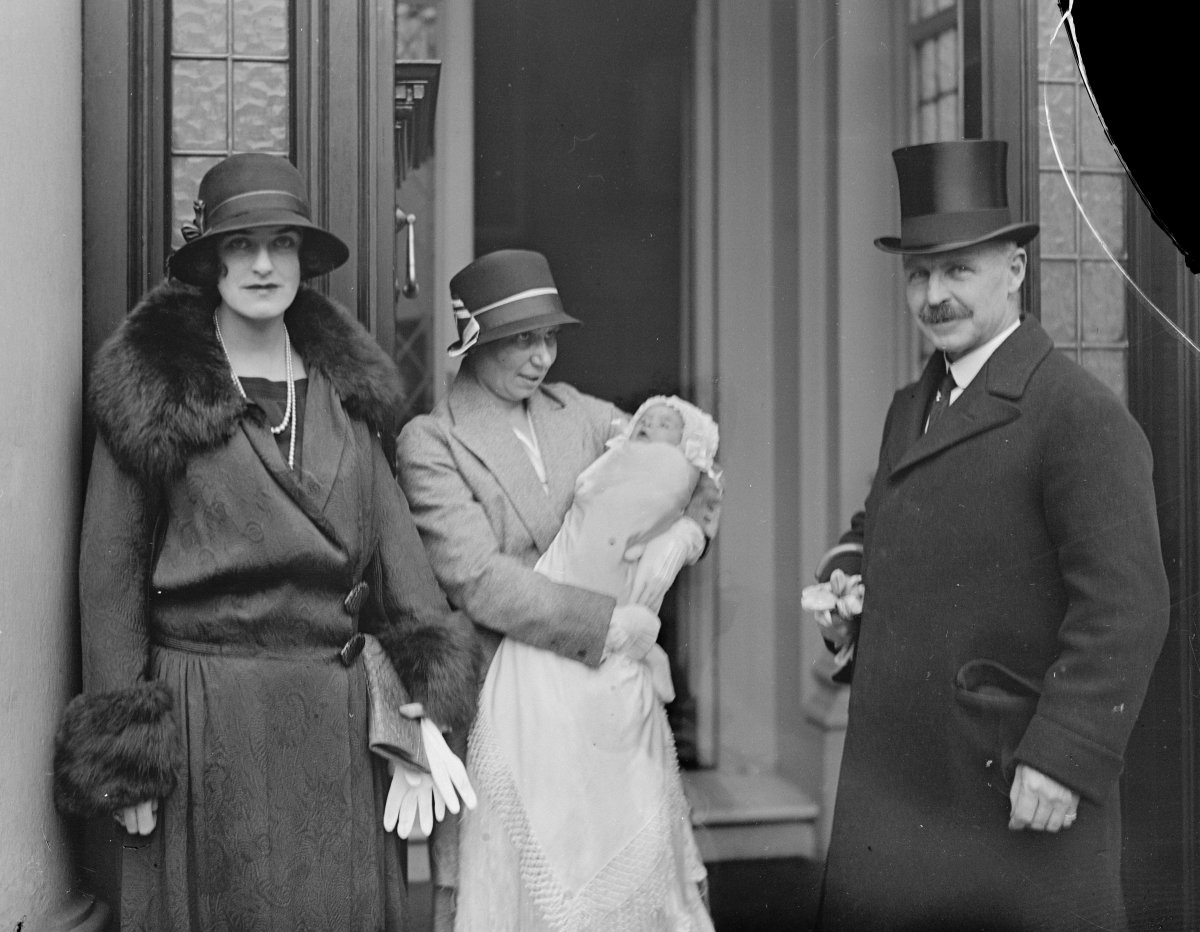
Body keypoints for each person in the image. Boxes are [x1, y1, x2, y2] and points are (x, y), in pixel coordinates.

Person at [52, 153, 477, 930]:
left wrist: (423, 709)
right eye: (240, 245)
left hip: (334, 730)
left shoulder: (345, 396)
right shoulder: (153, 393)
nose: (261, 263)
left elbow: (398, 559)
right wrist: (128, 761)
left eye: (281, 243)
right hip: (208, 720)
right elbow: (109, 579)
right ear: (210, 260)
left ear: (303, 260)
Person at [811, 140, 1170, 932]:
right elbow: (879, 525)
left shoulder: (1077, 415)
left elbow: (1127, 606)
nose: (933, 295)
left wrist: (1062, 757)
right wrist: (845, 590)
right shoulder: (912, 404)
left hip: (1010, 791)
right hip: (899, 794)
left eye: (957, 271)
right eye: (917, 273)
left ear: (1015, 270)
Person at [395, 249, 722, 930]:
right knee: (523, 898)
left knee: (627, 891)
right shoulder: (434, 442)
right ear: (474, 341)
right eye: (521, 339)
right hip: (508, 707)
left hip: (604, 710)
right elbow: (480, 579)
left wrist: (680, 539)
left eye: (548, 337)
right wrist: (606, 625)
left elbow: (681, 462)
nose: (541, 356)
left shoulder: (578, 412)